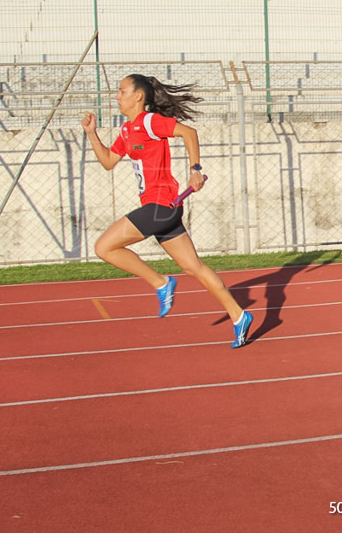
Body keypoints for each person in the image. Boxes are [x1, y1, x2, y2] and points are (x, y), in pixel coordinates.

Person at [81, 73, 253, 348]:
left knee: (104, 247)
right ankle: (239, 315)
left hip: (161, 205)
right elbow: (108, 162)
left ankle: (161, 282)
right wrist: (92, 134)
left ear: (138, 96)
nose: (117, 96)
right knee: (192, 266)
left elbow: (189, 133)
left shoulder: (150, 122)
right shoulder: (127, 131)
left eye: (122, 91)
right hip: (162, 208)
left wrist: (195, 170)